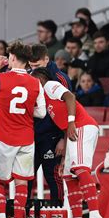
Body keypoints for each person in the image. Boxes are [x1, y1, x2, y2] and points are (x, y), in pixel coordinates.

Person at [31, 68, 104, 218]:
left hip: (82, 126)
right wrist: (64, 152)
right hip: (72, 130)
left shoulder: (50, 85)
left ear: (40, 78)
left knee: (80, 169)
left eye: (32, 79)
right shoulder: (44, 99)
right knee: (69, 177)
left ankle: (95, 215)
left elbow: (70, 96)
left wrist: (71, 122)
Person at [0, 42, 46, 218]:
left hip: (5, 137)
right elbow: (42, 113)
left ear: (12, 57)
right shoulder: (35, 82)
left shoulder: (0, 79)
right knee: (22, 183)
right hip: (27, 138)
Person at [28, 44, 71, 201]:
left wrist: (62, 138)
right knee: (26, 176)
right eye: (31, 65)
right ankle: (23, 213)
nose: (33, 69)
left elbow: (68, 108)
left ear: (46, 59)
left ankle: (58, 214)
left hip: (53, 136)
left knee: (53, 176)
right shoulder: (30, 76)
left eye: (37, 65)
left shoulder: (60, 79)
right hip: (32, 135)